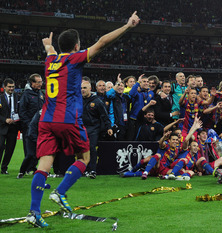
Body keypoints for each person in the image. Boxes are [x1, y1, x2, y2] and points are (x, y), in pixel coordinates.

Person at [26, 11, 140, 228]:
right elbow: (102, 42)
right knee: (84, 158)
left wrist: (47, 45)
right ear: (77, 45)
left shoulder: (50, 60)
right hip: (68, 119)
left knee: (44, 165)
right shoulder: (75, 58)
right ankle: (60, 192)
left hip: (46, 120)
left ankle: (34, 211)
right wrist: (127, 26)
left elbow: (51, 51)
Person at [82, 81, 113, 179]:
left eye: (85, 88)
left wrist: (109, 127)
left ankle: (92, 170)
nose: (82, 90)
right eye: (81, 88)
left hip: (93, 128)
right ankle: (83, 169)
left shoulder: (97, 101)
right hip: (81, 128)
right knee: (82, 149)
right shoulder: (78, 100)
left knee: (92, 148)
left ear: (90, 89)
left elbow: (104, 115)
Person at [17, 74, 44, 178]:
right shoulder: (26, 94)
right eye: (38, 82)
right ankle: (28, 168)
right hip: (29, 127)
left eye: (41, 82)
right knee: (29, 150)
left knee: (38, 149)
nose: (40, 84)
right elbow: (22, 111)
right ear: (32, 83)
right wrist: (29, 124)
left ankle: (33, 167)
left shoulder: (41, 94)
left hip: (40, 127)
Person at [0, 78, 20, 175]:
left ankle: (4, 168)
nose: (11, 88)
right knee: (0, 147)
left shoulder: (17, 96)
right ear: (4, 87)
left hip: (13, 127)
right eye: (9, 87)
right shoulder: (0, 98)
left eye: (13, 87)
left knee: (10, 149)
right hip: (2, 126)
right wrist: (5, 119)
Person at [127, 74, 154, 140]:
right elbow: (131, 94)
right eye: (144, 81)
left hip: (145, 119)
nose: (146, 83)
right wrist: (137, 83)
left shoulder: (151, 93)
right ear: (140, 83)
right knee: (132, 138)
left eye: (147, 82)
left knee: (142, 137)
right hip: (134, 118)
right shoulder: (137, 92)